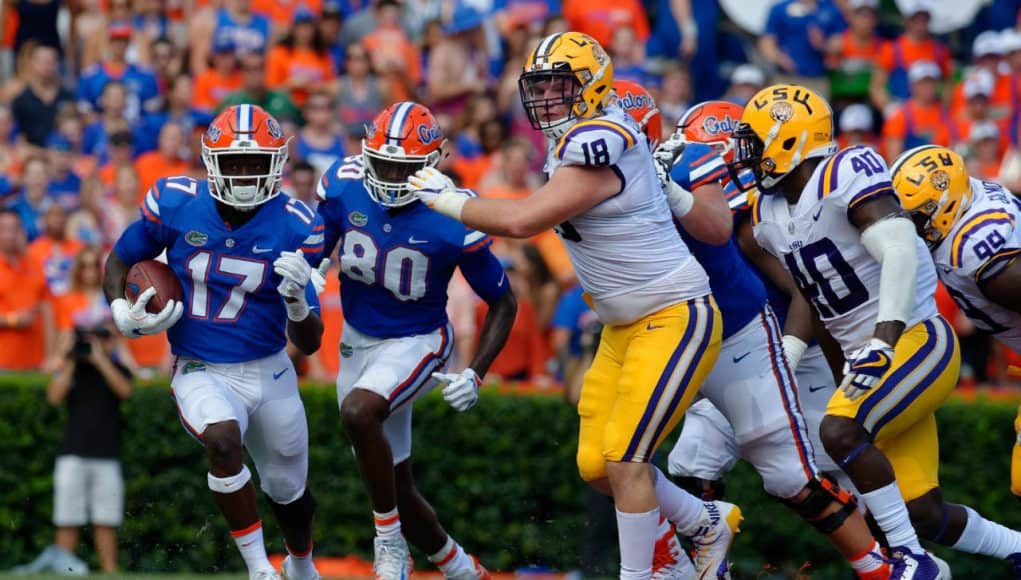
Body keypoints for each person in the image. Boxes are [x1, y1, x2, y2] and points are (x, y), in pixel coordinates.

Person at [407, 32, 739, 579]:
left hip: (675, 314)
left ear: (593, 85)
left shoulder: (604, 135)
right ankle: (704, 525)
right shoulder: (575, 138)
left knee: (627, 460)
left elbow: (522, 221)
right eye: (541, 86)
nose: (548, 98)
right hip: (623, 326)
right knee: (596, 466)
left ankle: (645, 573)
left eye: (560, 86)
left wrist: (452, 201)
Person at [729, 83, 1000, 577]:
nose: (747, 154)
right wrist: (788, 359)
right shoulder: (768, 215)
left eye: (755, 140)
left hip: (916, 340)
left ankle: (911, 562)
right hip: (871, 358)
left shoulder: (845, 171)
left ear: (789, 140)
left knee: (839, 430)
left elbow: (897, 249)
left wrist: (883, 340)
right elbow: (815, 300)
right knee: (922, 512)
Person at [648, 96, 888, 578]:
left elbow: (807, 291)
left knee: (833, 472)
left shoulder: (764, 212)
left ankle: (894, 561)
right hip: (742, 349)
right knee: (693, 461)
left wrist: (793, 347)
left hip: (800, 350)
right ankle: (705, 561)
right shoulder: (709, 205)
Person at [102, 104, 328, 580]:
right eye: (234, 163)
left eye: (254, 164)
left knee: (289, 491)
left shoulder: (296, 223)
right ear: (211, 161)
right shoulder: (176, 200)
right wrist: (119, 309)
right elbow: (120, 259)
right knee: (222, 441)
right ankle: (258, 569)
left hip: (270, 367)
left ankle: (301, 565)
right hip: (200, 365)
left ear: (276, 163)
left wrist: (295, 302)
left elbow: (309, 343)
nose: (244, 176)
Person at [316, 101, 517, 580]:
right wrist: (303, 276)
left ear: (430, 164)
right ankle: (465, 570)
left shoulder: (452, 212)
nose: (385, 175)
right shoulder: (344, 184)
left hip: (419, 339)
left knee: (358, 413)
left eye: (399, 167)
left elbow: (504, 301)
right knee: (395, 487)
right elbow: (315, 253)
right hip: (356, 340)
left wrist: (477, 370)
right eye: (380, 162)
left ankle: (387, 544)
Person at [891, 145, 1021, 566]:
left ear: (943, 204)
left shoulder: (977, 251)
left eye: (916, 216)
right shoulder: (971, 199)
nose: (910, 228)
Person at [14, 317, 132, 575]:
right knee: (67, 516)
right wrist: (68, 359)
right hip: (72, 454)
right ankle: (62, 569)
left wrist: (102, 360)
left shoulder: (116, 368)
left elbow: (125, 391)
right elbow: (54, 397)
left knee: (106, 518)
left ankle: (109, 570)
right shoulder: (74, 368)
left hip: (106, 454)